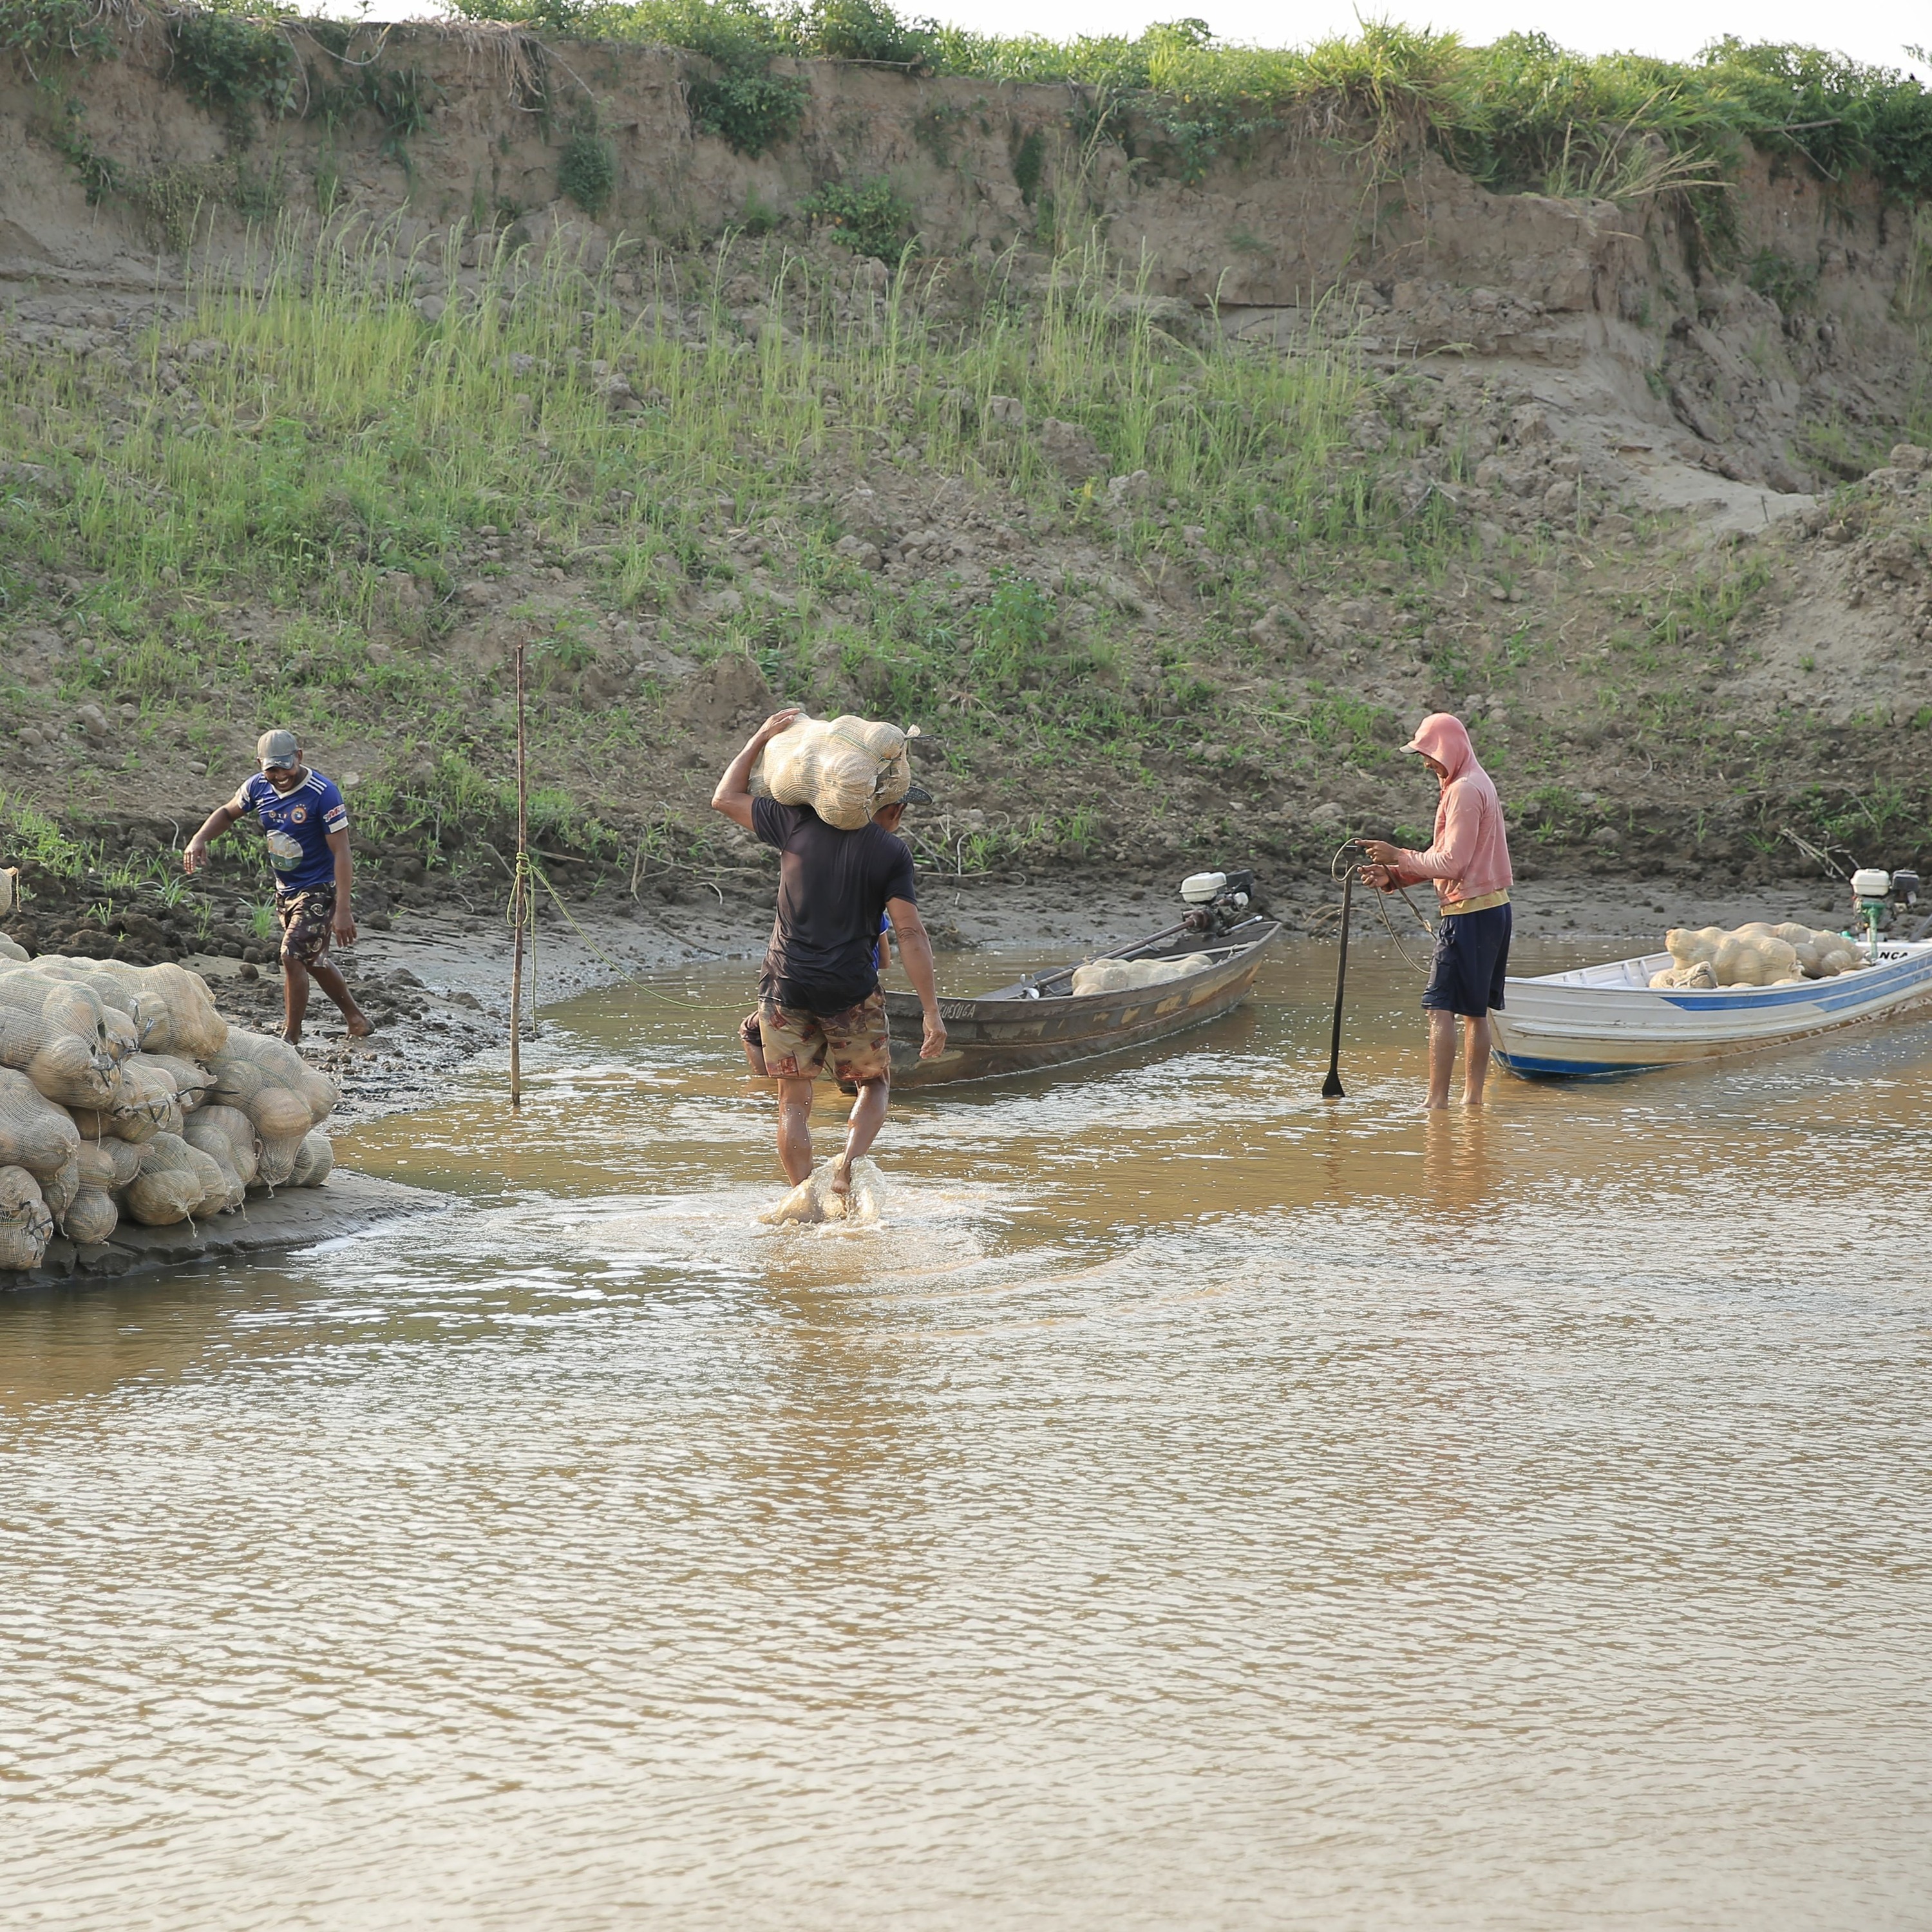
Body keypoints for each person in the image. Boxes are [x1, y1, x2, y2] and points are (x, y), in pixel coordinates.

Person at [711, 709, 946, 1197]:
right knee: (875, 1084)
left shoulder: (794, 823)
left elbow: (724, 797)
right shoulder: (890, 854)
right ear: (892, 808)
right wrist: (930, 1012)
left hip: (784, 985)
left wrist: (758, 736)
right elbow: (909, 934)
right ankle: (845, 1169)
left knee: (793, 1102)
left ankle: (803, 1198)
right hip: (850, 991)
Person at [1360, 712, 1513, 1110]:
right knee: (1475, 1012)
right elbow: (1452, 860)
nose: (1426, 763)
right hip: (1493, 910)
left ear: (1449, 750)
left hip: (1468, 916)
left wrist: (1398, 855)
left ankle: (1435, 1105)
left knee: (1439, 1007)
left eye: (1429, 754)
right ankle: (1471, 1102)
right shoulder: (1478, 782)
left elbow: (1452, 864)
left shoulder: (1463, 790)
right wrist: (1394, 875)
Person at [184, 729, 373, 1046]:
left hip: (320, 889)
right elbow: (228, 813)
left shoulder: (323, 793)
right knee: (311, 958)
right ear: (260, 764)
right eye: (272, 769)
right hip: (286, 889)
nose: (280, 775)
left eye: (285, 766)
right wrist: (199, 839)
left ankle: (291, 1037)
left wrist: (343, 909)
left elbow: (342, 851)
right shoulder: (257, 787)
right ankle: (356, 1019)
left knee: (291, 956)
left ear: (299, 756)